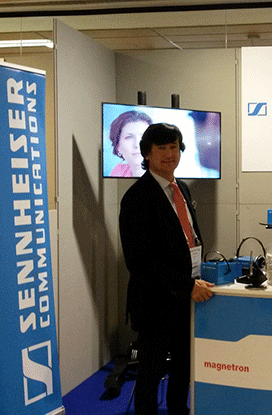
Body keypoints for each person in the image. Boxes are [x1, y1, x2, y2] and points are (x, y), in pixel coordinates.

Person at [119, 122, 214, 415]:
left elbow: (188, 239)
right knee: (151, 371)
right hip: (155, 302)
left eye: (174, 147)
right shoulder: (136, 197)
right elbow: (140, 262)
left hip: (186, 296)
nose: (169, 154)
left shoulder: (180, 187)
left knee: (183, 365)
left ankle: (177, 410)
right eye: (161, 148)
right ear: (147, 154)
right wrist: (187, 285)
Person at [109, 110, 153, 177]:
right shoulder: (119, 170)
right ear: (118, 147)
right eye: (129, 137)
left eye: (144, 136)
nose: (137, 145)